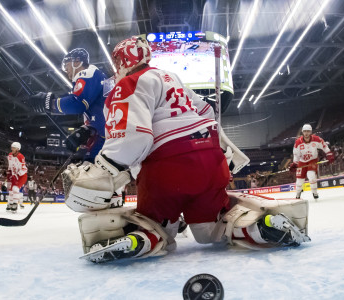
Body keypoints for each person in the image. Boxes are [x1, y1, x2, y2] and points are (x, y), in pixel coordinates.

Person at [64, 36, 309, 263]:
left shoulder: (128, 83)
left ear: (123, 60)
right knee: (211, 229)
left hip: (167, 167)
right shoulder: (171, 77)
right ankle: (255, 227)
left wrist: (106, 166)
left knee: (155, 225)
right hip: (210, 160)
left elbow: (133, 136)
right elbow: (207, 112)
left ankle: (141, 238)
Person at [27, 48, 108, 162]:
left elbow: (78, 104)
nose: (65, 68)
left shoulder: (87, 73)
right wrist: (86, 131)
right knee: (91, 169)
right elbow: (97, 111)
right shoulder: (92, 76)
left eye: (67, 63)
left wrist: (51, 104)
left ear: (77, 62)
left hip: (109, 136)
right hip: (104, 134)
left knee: (93, 174)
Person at [289, 124, 335, 200]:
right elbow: (296, 154)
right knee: (299, 181)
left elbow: (324, 146)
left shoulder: (317, 139)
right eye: (305, 131)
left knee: (312, 177)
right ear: (302, 132)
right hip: (302, 161)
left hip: (312, 160)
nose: (306, 133)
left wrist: (329, 154)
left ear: (311, 132)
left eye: (308, 131)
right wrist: (295, 163)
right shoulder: (298, 142)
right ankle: (297, 194)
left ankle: (315, 193)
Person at [6, 142, 27, 213]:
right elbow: (10, 166)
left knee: (15, 188)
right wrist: (9, 175)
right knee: (11, 190)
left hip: (22, 176)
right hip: (14, 175)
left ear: (18, 149)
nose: (12, 149)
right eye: (12, 147)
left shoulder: (21, 156)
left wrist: (18, 174)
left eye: (14, 148)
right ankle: (10, 203)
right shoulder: (9, 155)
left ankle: (15, 204)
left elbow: (24, 169)